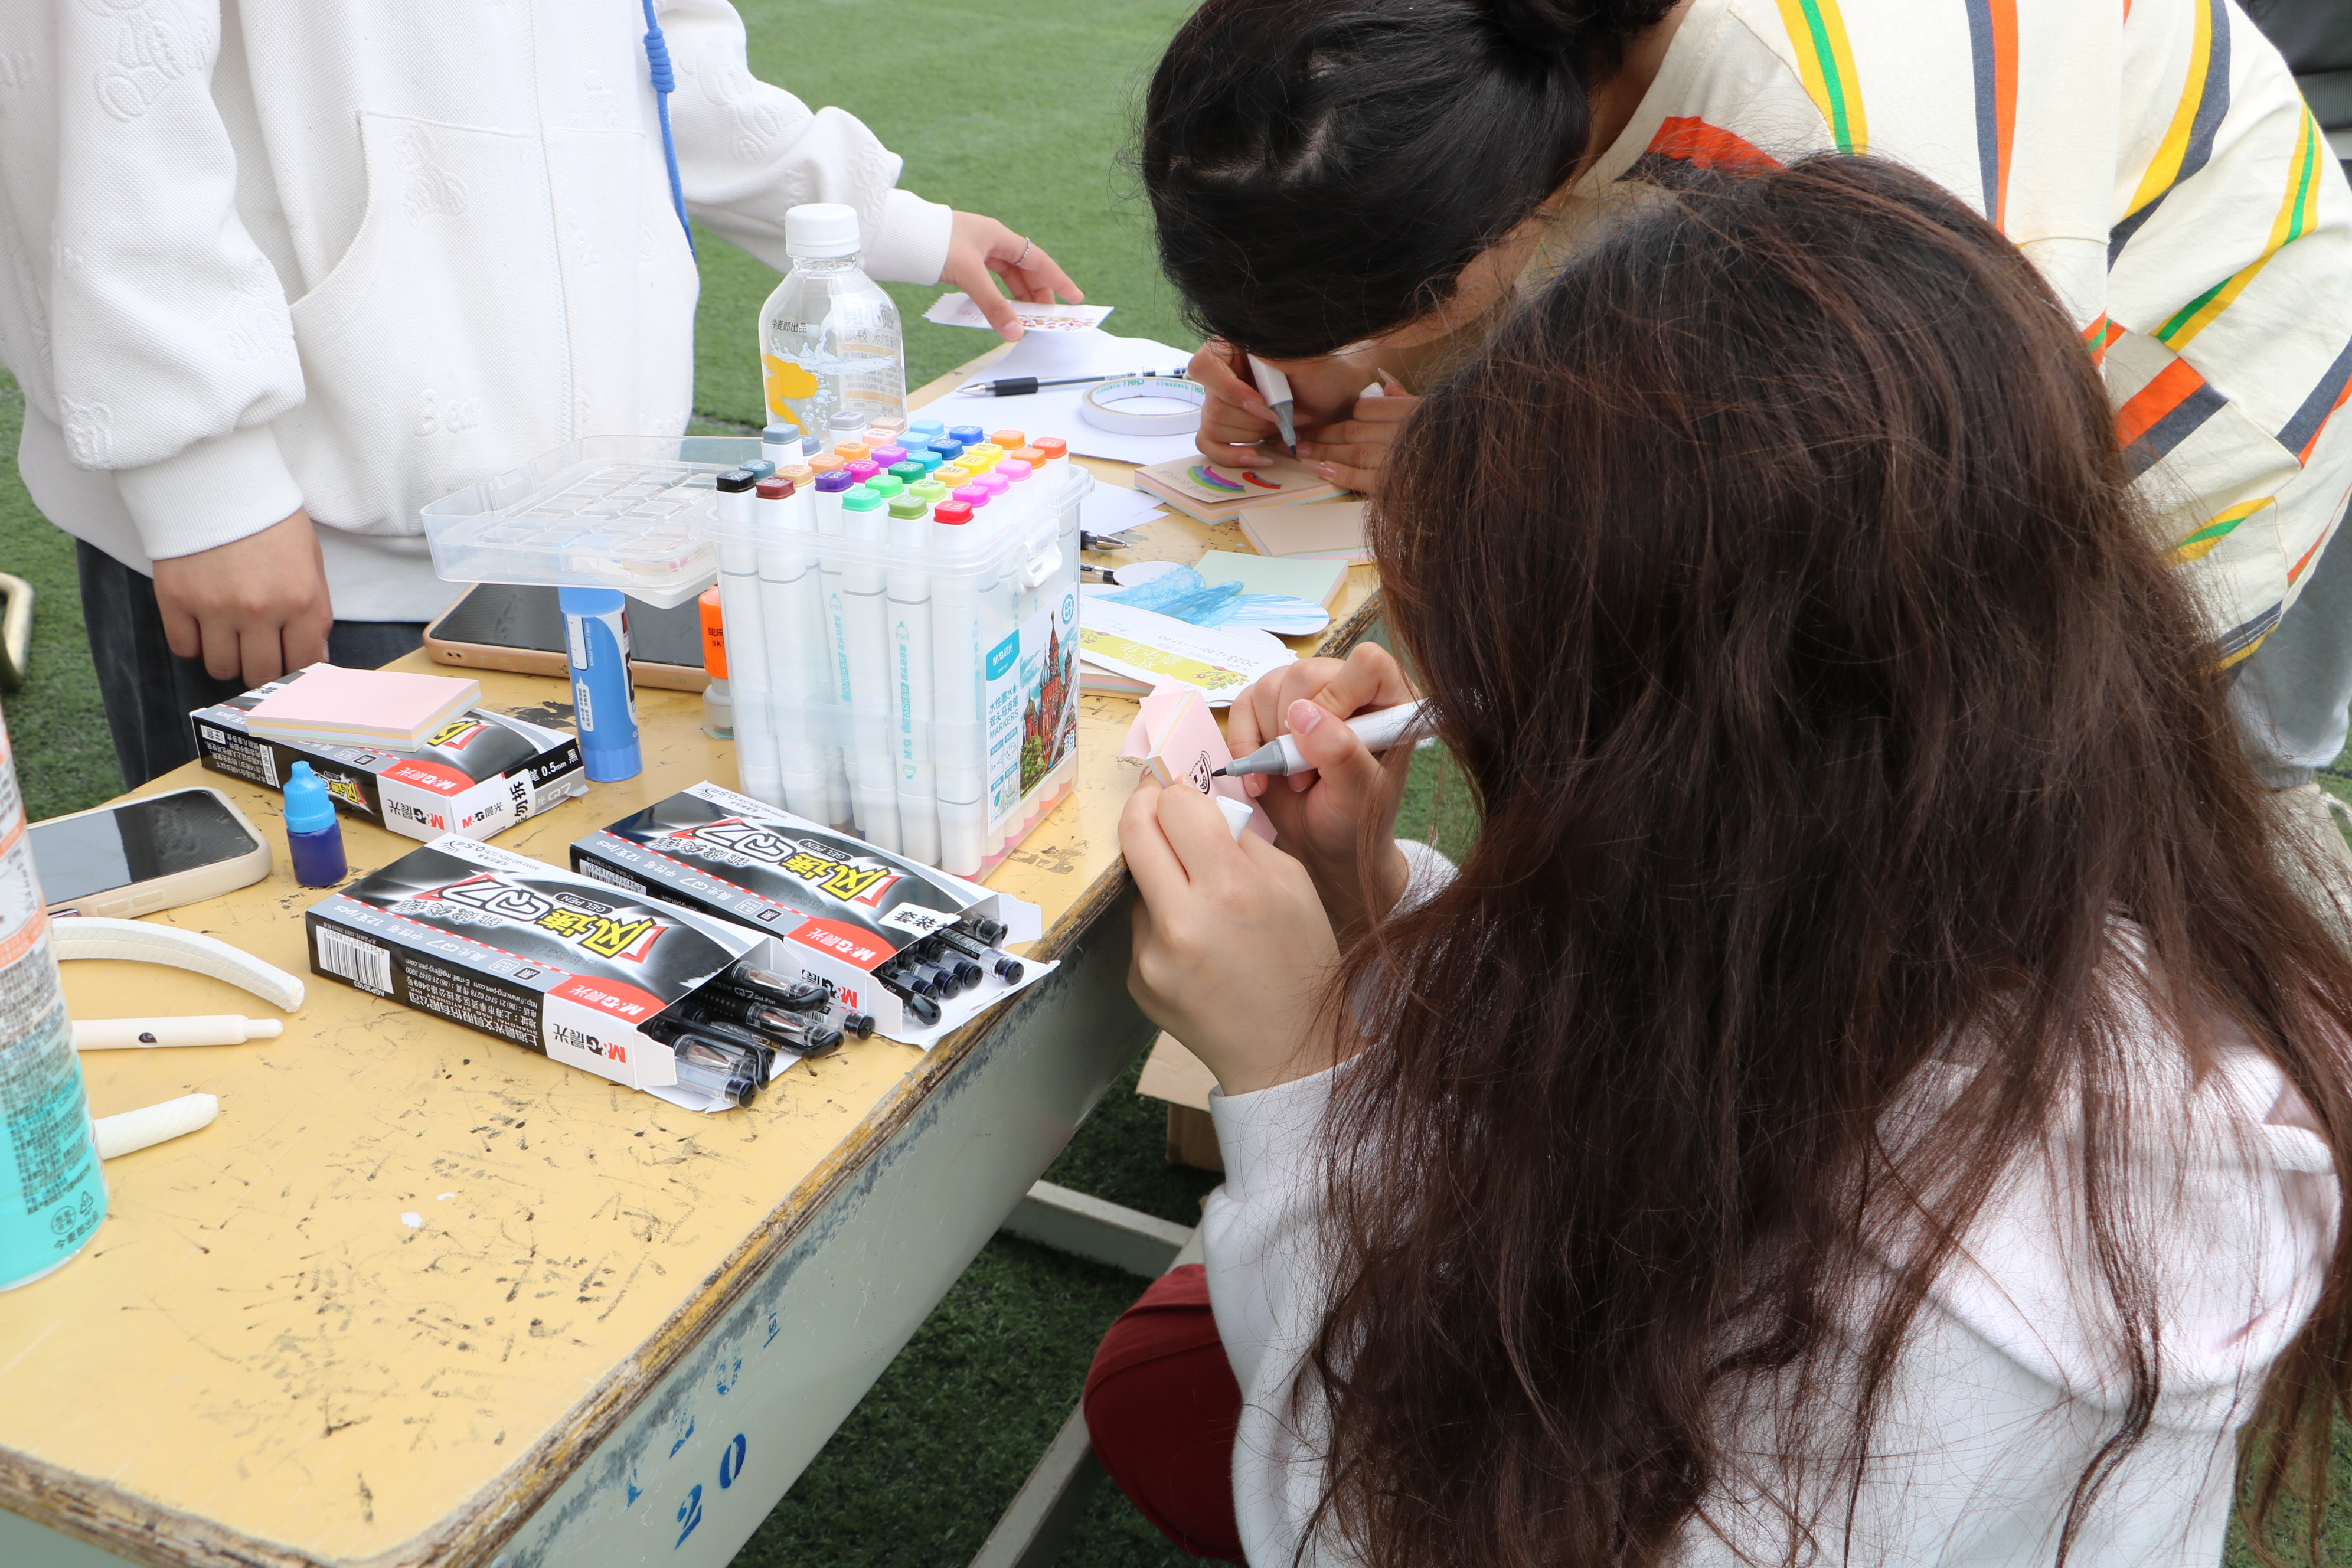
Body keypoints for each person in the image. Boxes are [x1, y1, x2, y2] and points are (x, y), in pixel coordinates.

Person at [1092, 158, 2351, 1566]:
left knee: (1160, 1392)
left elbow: (1383, 1531)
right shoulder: (1950, 900)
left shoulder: (1953, 1336)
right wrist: (1369, 897)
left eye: (1533, 721)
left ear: (1706, 781)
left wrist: (1297, 1075)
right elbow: (1651, 1014)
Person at [1141, 0, 2352, 839]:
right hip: (1916, 312)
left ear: (1497, 222)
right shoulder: (1477, 58)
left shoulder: (1838, 133)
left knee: (1989, 799)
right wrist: (1309, 360)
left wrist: (1511, 449)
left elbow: (1956, 516)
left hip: (2163, 361)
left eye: (1372, 318)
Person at [0, 0, 1077, 788]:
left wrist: (890, 224)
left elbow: (657, 45)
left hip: (591, 522)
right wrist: (209, 486)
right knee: (336, 960)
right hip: (304, 547)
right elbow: (94, 81)